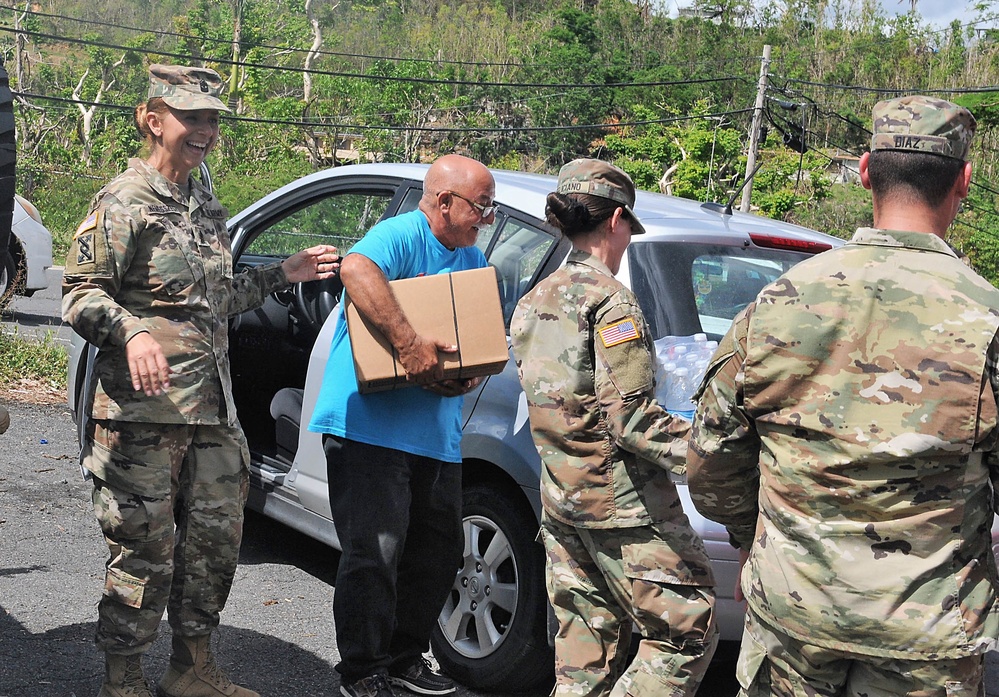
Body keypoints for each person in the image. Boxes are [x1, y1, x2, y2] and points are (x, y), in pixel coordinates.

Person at [688, 95, 999, 696]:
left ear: (863, 172)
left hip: (792, 613)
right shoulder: (987, 319)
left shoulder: (777, 302)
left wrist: (753, 542)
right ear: (963, 180)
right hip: (925, 631)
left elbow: (711, 461)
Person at [62, 64, 340, 697]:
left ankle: (192, 669)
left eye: (213, 119)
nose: (207, 130)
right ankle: (124, 679)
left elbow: (212, 300)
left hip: (212, 412)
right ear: (153, 120)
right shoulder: (122, 202)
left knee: (213, 548)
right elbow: (78, 296)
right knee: (143, 553)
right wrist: (130, 332)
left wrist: (281, 274)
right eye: (193, 118)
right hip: (140, 418)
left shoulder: (202, 199)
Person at [510, 159, 718, 697]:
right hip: (622, 506)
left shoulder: (534, 300)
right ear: (618, 220)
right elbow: (630, 419)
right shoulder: (610, 301)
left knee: (584, 649)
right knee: (683, 632)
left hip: (561, 497)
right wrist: (710, 451)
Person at [307, 153, 494, 697]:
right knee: (375, 555)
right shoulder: (401, 233)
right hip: (369, 429)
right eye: (480, 206)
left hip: (436, 438)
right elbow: (356, 270)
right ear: (443, 202)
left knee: (434, 557)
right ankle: (362, 671)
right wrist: (410, 344)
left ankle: (405, 659)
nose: (485, 217)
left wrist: (466, 377)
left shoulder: (471, 259)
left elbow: (475, 341)